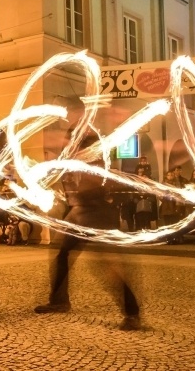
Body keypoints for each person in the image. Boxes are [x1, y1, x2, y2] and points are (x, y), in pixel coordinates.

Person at [34, 136, 141, 331]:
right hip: (79, 213)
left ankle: (132, 313)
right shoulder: (80, 163)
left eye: (71, 143)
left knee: (109, 265)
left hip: (96, 214)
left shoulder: (93, 163)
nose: (67, 145)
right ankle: (59, 301)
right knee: (62, 253)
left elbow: (96, 186)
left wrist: (80, 194)